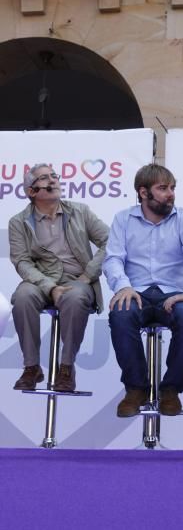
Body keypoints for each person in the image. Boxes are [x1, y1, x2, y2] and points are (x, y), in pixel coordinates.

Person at [103, 163, 183, 418]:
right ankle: (135, 389)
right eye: (163, 188)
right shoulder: (123, 219)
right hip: (135, 290)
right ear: (143, 192)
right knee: (121, 314)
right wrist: (123, 286)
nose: (170, 193)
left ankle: (171, 389)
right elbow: (113, 259)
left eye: (172, 188)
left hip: (173, 293)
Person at [9, 163, 109, 392]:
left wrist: (88, 275)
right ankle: (31, 367)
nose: (53, 180)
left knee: (75, 298)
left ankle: (66, 367)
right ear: (31, 191)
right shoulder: (18, 222)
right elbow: (21, 261)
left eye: (54, 176)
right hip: (40, 280)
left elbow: (110, 242)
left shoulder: (80, 211)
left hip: (76, 280)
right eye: (45, 178)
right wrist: (49, 287)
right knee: (22, 296)